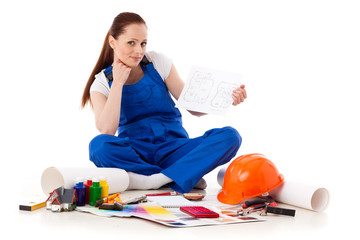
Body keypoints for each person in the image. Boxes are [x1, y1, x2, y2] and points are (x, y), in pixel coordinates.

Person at [81, 12, 247, 193]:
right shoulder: (101, 83)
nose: (139, 50)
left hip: (175, 149)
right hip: (137, 154)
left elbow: (193, 107)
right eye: (131, 43)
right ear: (113, 42)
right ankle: (181, 175)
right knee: (98, 146)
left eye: (143, 43)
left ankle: (156, 179)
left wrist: (227, 97)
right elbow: (107, 130)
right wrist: (118, 83)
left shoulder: (158, 62)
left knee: (230, 136)